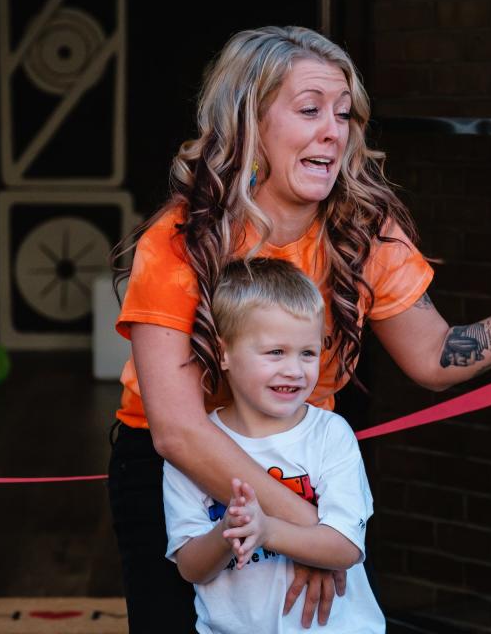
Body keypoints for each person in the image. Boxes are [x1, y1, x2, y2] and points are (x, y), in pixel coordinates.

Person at [109, 25, 491, 632]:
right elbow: (178, 433)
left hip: (305, 462)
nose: (334, 129)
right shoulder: (180, 240)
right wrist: (311, 532)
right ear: (250, 122)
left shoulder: (363, 228)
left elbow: (434, 355)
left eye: (345, 114)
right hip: (186, 477)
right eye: (309, 110)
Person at [162, 258, 385, 633]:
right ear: (224, 352)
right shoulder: (197, 448)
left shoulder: (331, 435)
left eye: (308, 353)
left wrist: (268, 531)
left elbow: (346, 547)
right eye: (275, 352)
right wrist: (227, 532)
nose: (294, 370)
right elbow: (190, 567)